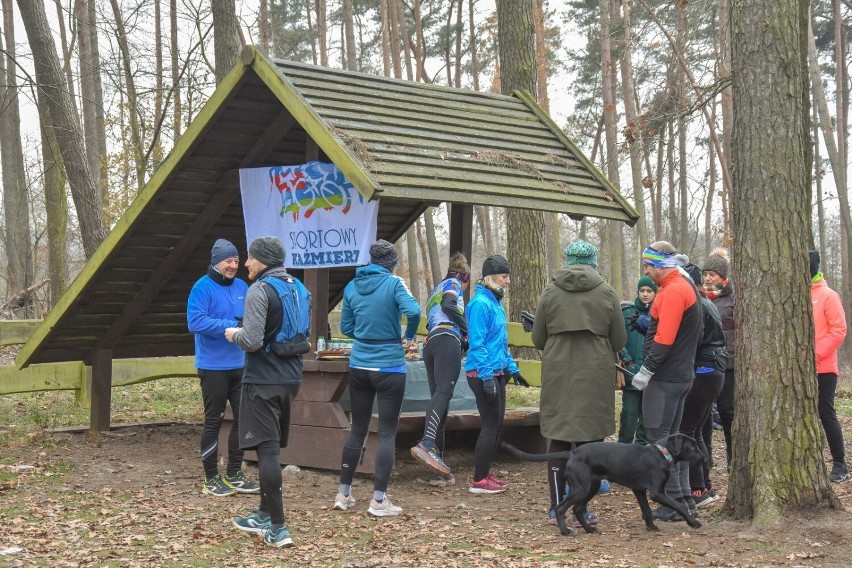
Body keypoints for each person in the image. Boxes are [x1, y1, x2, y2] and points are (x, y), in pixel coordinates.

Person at [531, 240, 626, 526]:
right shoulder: (607, 292)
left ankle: (556, 508)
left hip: (559, 372)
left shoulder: (550, 290)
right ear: (593, 262)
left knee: (558, 439)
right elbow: (619, 339)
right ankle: (581, 510)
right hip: (595, 373)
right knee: (591, 442)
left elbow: (538, 338)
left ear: (568, 260)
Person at [224, 236, 308, 547]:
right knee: (267, 448)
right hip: (291, 378)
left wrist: (234, 334)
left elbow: (254, 340)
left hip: (262, 379)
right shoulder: (298, 289)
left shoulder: (259, 290)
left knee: (268, 451)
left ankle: (278, 527)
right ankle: (262, 512)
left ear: (263, 261)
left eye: (250, 257)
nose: (246, 263)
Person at [333, 239, 421, 517]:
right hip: (390, 367)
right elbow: (415, 311)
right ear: (392, 263)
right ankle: (379, 500)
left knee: (357, 429)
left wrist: (363, 332)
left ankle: (343, 493)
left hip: (359, 365)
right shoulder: (394, 284)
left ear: (371, 261)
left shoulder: (351, 286)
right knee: (386, 432)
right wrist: (407, 336)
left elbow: (346, 326)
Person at [633, 241, 702, 522]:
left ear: (661, 265)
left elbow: (665, 337)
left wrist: (646, 370)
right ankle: (685, 499)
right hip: (680, 376)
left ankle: (671, 503)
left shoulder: (674, 291)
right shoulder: (682, 285)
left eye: (649, 265)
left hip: (666, 379)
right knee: (674, 442)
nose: (646, 271)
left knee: (660, 443)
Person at [187, 238, 257, 497]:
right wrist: (229, 326)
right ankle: (211, 478)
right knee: (213, 421)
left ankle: (235, 473)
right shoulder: (202, 288)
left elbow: (252, 317)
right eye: (229, 260)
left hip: (241, 364)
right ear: (216, 262)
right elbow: (195, 322)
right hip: (213, 365)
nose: (233, 265)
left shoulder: (242, 286)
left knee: (243, 419)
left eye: (237, 261)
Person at [465, 254, 525, 494]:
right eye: (504, 276)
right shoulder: (480, 304)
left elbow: (500, 343)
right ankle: (479, 480)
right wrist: (487, 375)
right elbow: (477, 344)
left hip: (497, 370)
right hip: (481, 373)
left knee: (497, 424)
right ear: (491, 277)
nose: (508, 281)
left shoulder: (495, 302)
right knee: (490, 425)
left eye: (508, 276)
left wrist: (513, 368)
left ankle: (485, 473)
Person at [410, 252, 471, 485]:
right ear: (465, 279)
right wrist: (466, 330)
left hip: (431, 342)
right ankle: (427, 443)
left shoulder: (437, 287)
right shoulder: (453, 284)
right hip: (447, 339)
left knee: (440, 399)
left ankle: (440, 467)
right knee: (444, 393)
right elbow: (449, 304)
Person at [680, 270, 726, 509]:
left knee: (688, 430)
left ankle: (697, 489)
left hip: (705, 371)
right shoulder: (707, 301)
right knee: (696, 430)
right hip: (713, 371)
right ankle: (705, 486)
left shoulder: (698, 304)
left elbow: (693, 340)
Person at [809, 250, 850, 482]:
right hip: (799, 370)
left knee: (826, 413)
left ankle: (840, 464)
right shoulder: (795, 294)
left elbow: (839, 330)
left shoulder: (828, 295)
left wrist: (815, 354)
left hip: (823, 367)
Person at [702, 247, 736, 469]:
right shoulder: (701, 297)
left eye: (711, 274)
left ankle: (733, 458)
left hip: (729, 363)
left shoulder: (734, 297)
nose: (707, 278)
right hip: (705, 362)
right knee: (703, 413)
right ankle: (706, 458)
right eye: (705, 274)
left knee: (727, 412)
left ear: (722, 276)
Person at [618, 275, 656, 446]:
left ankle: (640, 448)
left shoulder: (659, 313)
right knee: (629, 413)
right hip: (630, 371)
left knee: (647, 414)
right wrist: (628, 361)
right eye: (642, 290)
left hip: (652, 372)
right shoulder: (627, 312)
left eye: (649, 291)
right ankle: (623, 447)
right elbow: (618, 339)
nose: (645, 294)